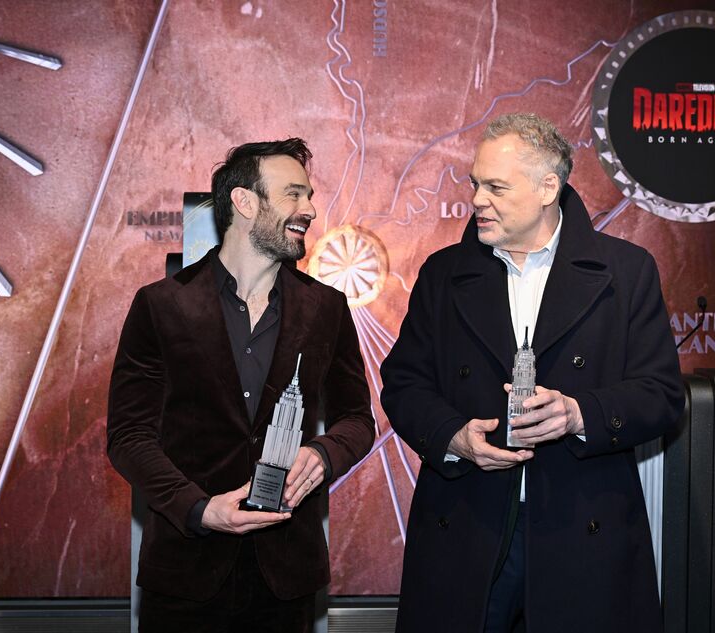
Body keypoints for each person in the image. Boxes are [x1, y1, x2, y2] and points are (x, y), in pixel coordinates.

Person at [380, 113, 684, 632]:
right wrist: (454, 436)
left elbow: (661, 395)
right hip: (466, 523)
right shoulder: (443, 274)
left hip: (582, 528)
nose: (477, 199)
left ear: (549, 187)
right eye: (476, 184)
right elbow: (404, 383)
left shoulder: (627, 272)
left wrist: (578, 414)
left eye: (496, 186)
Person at [107, 138, 375, 633]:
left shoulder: (327, 308)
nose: (310, 209)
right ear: (245, 202)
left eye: (309, 195)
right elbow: (128, 437)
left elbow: (357, 419)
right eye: (293, 194)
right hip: (185, 576)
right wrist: (199, 509)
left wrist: (322, 454)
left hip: (286, 577)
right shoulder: (161, 305)